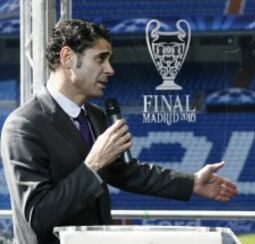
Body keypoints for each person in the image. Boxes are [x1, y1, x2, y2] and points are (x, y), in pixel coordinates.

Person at [1, 19, 238, 244]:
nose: (110, 69)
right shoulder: (23, 126)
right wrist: (93, 164)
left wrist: (192, 183)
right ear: (67, 57)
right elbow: (38, 216)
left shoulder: (95, 116)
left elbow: (127, 173)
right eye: (101, 59)